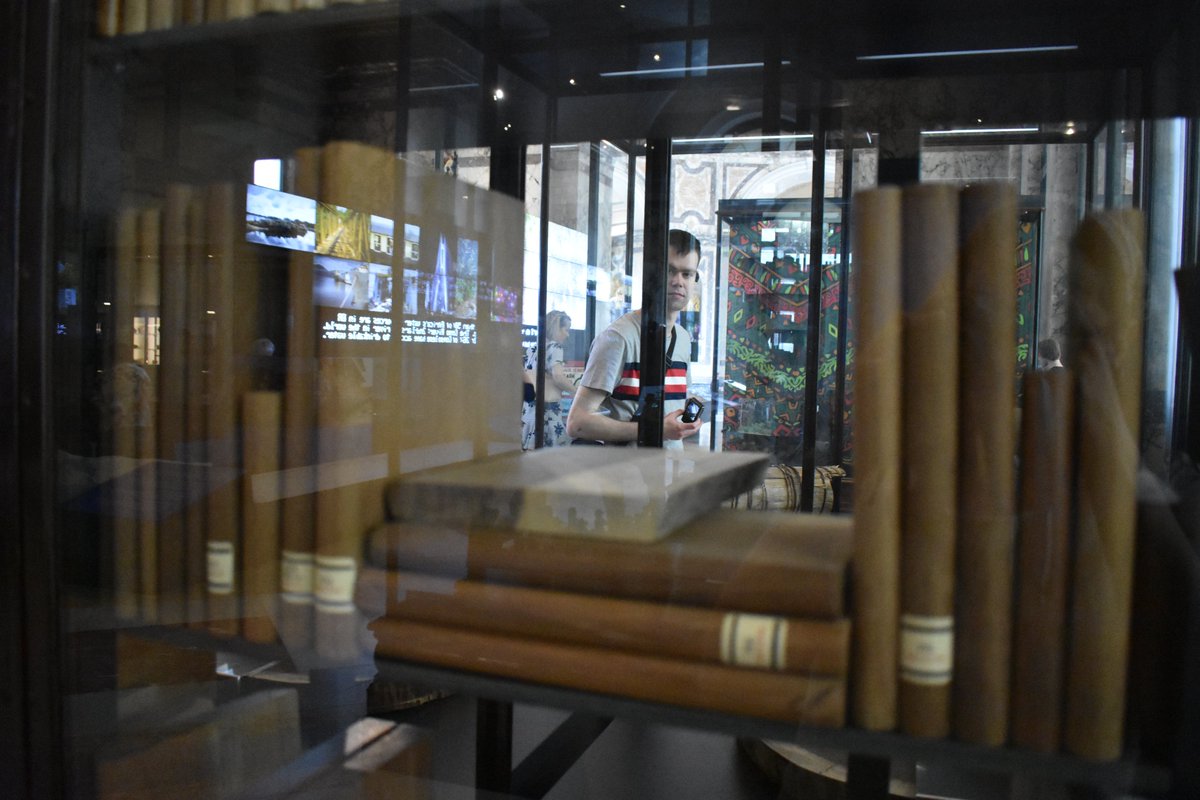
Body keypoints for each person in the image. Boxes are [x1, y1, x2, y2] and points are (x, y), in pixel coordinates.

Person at [566, 229, 704, 449]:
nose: (679, 281)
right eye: (670, 271)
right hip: (625, 478)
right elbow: (577, 423)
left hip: (668, 476)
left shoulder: (683, 339)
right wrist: (654, 430)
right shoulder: (618, 338)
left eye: (687, 274)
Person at [521, 310, 577, 449]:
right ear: (556, 328)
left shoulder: (532, 349)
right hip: (548, 410)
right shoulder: (555, 347)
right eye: (566, 329)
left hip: (530, 410)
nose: (567, 334)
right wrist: (576, 392)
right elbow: (558, 377)